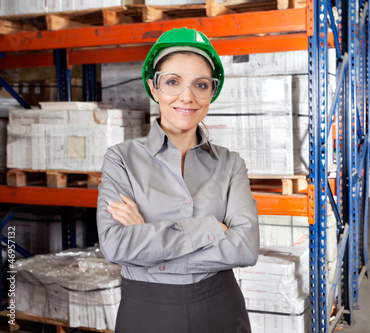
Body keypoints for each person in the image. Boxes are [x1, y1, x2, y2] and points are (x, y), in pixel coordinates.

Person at [96, 27, 259, 333]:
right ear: (153, 87)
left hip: (221, 308)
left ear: (212, 91)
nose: (187, 96)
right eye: (173, 82)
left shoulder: (230, 164)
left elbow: (245, 249)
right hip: (146, 312)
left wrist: (145, 239)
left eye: (200, 85)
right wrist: (213, 228)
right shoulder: (121, 159)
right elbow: (116, 245)